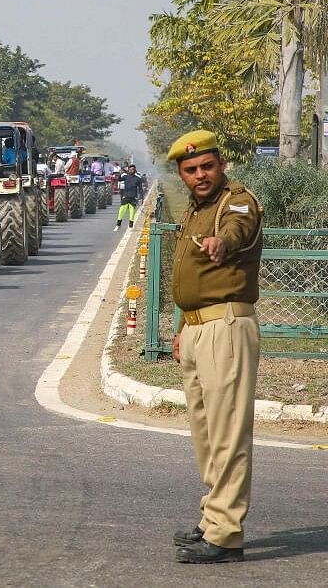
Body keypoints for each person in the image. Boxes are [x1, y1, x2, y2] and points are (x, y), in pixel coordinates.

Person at [167, 129, 263, 565]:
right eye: (191, 169)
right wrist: (182, 328)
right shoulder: (195, 209)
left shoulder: (235, 201)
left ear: (221, 165)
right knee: (206, 434)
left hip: (226, 327)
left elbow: (237, 230)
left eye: (207, 166)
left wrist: (223, 241)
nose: (200, 175)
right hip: (196, 330)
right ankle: (213, 520)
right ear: (182, 174)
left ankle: (225, 534)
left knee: (227, 434)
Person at [113, 163, 143, 231]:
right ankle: (118, 225)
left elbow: (141, 189)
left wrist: (141, 199)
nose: (131, 171)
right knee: (121, 212)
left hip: (133, 198)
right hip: (125, 197)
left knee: (132, 213)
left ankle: (130, 226)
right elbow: (119, 179)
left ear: (135, 170)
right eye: (130, 169)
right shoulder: (125, 177)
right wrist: (120, 174)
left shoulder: (138, 179)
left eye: (133, 169)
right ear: (128, 170)